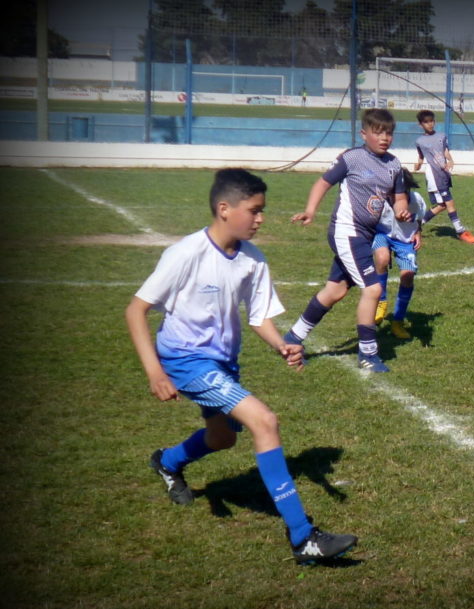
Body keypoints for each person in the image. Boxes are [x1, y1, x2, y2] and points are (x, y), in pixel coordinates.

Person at [126, 168, 358, 565]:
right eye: (254, 210)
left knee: (222, 439)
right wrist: (155, 373)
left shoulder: (252, 259)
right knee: (264, 421)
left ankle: (167, 462)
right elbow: (136, 310)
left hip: (222, 363)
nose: (260, 219)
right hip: (185, 360)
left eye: (261, 210)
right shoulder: (186, 254)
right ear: (224, 209)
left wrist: (281, 344)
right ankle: (303, 538)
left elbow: (259, 317)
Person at [282, 108, 410, 374]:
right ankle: (368, 354)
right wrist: (310, 211)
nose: (384, 138)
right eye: (378, 133)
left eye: (388, 133)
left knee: (335, 291)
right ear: (364, 134)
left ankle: (293, 337)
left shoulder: (394, 165)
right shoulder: (351, 158)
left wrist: (402, 210)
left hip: (365, 235)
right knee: (373, 289)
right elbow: (322, 183)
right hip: (347, 231)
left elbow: (399, 198)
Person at [374, 169, 426, 340]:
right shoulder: (380, 201)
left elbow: (419, 218)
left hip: (405, 240)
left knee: (408, 275)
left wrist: (418, 231)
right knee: (382, 258)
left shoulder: (416, 200)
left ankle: (398, 321)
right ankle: (381, 302)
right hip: (383, 234)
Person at [414, 109, 474, 244]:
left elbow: (445, 151)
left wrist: (450, 160)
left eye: (431, 121)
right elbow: (421, 156)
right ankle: (460, 232)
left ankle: (417, 225)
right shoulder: (420, 141)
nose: (430, 124)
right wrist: (418, 164)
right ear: (420, 124)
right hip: (434, 175)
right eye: (426, 122)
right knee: (449, 202)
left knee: (442, 205)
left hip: (443, 173)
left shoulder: (441, 136)